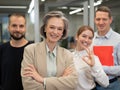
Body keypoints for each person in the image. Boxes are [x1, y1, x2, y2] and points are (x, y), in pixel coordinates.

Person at [21, 11, 78, 90]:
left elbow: (73, 83)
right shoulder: (30, 50)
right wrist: (61, 79)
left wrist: (42, 80)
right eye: (52, 27)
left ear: (62, 32)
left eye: (59, 29)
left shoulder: (67, 54)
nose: (55, 32)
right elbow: (28, 85)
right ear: (45, 28)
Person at [0, 13, 32, 90]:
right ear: (8, 27)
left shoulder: (33, 49)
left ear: (25, 28)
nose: (18, 29)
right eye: (14, 26)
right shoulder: (2, 49)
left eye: (21, 26)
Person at [72, 25, 109, 90]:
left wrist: (93, 66)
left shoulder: (93, 58)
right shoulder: (68, 56)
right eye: (84, 36)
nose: (86, 40)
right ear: (76, 37)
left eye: (90, 38)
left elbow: (105, 83)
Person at [93, 6, 120, 90]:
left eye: (104, 19)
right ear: (94, 20)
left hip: (112, 86)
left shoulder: (118, 39)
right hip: (92, 85)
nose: (101, 22)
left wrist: (100, 68)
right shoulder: (90, 38)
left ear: (110, 20)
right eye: (98, 19)